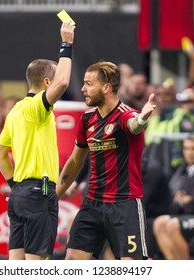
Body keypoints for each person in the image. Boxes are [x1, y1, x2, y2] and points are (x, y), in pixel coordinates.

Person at [56, 61, 156, 260]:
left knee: (132, 268)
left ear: (107, 87)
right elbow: (75, 162)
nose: (83, 89)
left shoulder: (125, 115)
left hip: (124, 205)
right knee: (72, 261)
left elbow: (134, 125)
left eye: (88, 84)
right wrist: (54, 198)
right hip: (93, 203)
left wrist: (142, 119)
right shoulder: (86, 119)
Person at [0, 21, 75, 260]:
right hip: (39, 193)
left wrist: (15, 185)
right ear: (47, 83)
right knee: (38, 265)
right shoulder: (36, 109)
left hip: (19, 196)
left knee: (17, 265)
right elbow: (63, 82)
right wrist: (66, 44)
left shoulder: (16, 110)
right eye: (55, 75)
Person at [153, 133, 194, 259]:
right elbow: (176, 200)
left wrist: (183, 199)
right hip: (188, 215)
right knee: (159, 222)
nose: (189, 153)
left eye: (193, 148)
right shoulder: (183, 170)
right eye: (186, 148)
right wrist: (184, 200)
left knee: (173, 225)